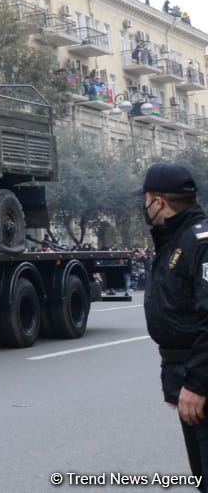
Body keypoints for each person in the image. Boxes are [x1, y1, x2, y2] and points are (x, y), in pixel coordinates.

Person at [138, 163, 208, 485]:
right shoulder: (175, 240)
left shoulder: (200, 242)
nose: (144, 206)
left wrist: (196, 383)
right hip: (187, 375)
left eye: (146, 199)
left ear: (160, 201)